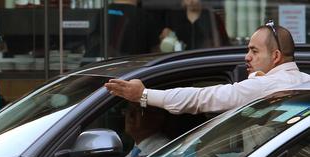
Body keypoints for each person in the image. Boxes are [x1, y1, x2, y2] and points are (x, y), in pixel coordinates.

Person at [105, 22, 310, 115]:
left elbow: (202, 98)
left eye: (254, 51)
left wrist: (143, 95)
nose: (247, 57)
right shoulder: (304, 80)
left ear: (275, 57)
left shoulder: (266, 85)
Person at [84, 0, 160, 59]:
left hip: (97, 69)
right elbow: (155, 53)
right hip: (131, 72)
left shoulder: (100, 13)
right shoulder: (145, 17)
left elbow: (90, 42)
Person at [159, 0, 228, 51]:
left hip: (205, 63)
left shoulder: (213, 18)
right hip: (180, 64)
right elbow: (164, 46)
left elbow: (224, 46)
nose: (191, 1)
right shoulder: (174, 18)